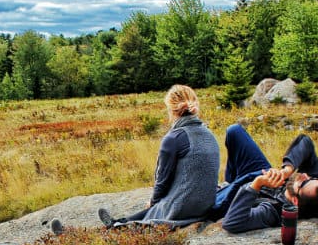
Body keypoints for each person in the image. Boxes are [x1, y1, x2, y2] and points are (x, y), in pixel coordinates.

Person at [88, 84, 220, 231]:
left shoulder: (174, 138)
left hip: (183, 208)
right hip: (207, 205)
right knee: (153, 210)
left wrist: (153, 202)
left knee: (154, 211)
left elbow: (162, 182)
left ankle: (110, 229)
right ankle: (115, 223)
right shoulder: (209, 134)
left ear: (171, 110)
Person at [219, 123, 318, 234]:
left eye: (304, 182)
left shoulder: (273, 211)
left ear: (295, 201)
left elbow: (231, 223)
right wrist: (287, 170)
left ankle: (225, 186)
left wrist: (257, 184)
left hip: (232, 195)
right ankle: (229, 181)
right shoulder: (316, 189)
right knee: (234, 131)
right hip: (256, 171)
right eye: (311, 177)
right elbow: (305, 142)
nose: (304, 175)